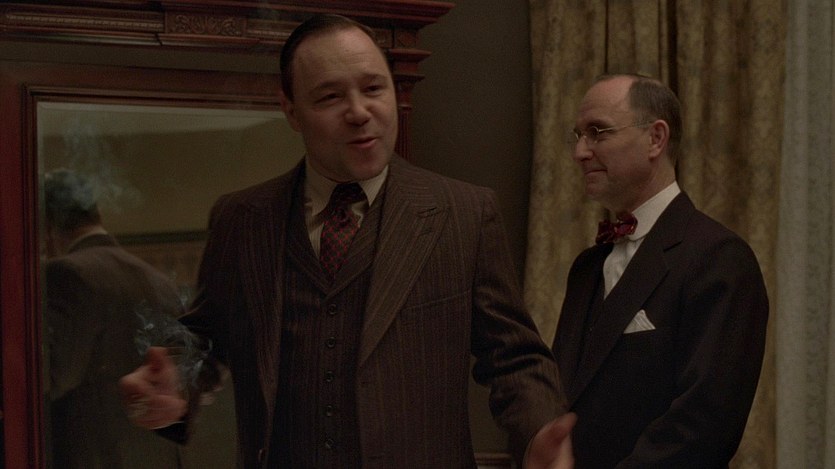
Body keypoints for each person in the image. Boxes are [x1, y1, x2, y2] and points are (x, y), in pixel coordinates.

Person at [119, 13, 575, 469]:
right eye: (330, 97)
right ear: (291, 110)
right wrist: (175, 382)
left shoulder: (464, 214)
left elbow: (514, 358)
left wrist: (538, 430)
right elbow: (205, 337)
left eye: (373, 88)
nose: (359, 112)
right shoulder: (242, 220)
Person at [551, 73, 769, 468]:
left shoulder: (719, 258)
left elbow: (705, 423)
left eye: (597, 132)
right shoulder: (586, 267)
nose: (580, 152)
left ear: (656, 138)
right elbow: (564, 398)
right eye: (578, 135)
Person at [42, 168, 185, 468]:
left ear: (47, 225)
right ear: (97, 213)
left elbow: (52, 378)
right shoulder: (160, 282)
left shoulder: (66, 273)